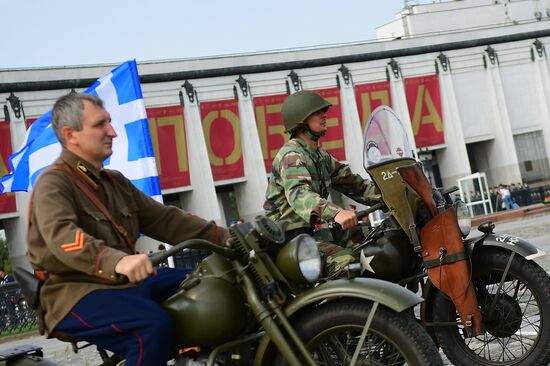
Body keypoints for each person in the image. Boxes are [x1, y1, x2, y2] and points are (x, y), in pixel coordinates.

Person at [27, 94, 228, 366]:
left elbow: (167, 220)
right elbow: (63, 238)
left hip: (122, 284)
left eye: (110, 122)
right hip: (72, 292)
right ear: (70, 134)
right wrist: (117, 260)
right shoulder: (53, 183)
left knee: (215, 283)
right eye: (100, 125)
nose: (112, 131)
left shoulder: (115, 183)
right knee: (150, 327)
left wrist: (230, 239)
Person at [264, 90, 380, 278]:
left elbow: (357, 186)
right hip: (293, 242)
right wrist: (337, 213)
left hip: (314, 235)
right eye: (317, 112)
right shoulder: (291, 156)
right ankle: (343, 307)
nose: (324, 116)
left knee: (377, 240)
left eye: (323, 111)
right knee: (346, 263)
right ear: (301, 121)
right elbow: (300, 196)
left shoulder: (321, 156)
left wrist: (396, 193)